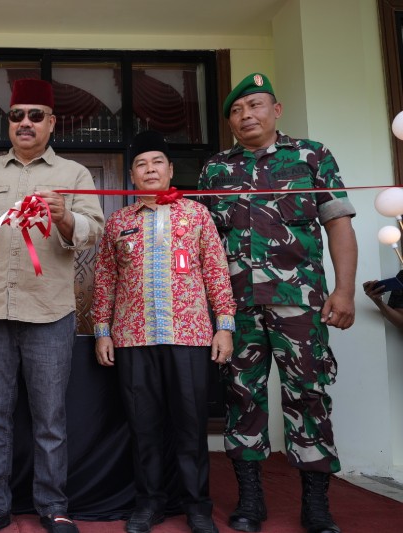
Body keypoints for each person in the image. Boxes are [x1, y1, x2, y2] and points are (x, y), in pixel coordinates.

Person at [198, 73, 358, 533]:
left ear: (276, 109)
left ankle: (316, 505)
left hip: (299, 302)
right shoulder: (216, 169)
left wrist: (344, 290)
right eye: (236, 110)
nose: (246, 115)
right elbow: (205, 243)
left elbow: (339, 224)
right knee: (241, 395)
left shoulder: (311, 156)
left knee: (309, 394)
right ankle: (250, 500)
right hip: (235, 307)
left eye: (255, 105)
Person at [0, 79, 104, 533]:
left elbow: (94, 231)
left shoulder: (74, 173)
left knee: (50, 418)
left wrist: (65, 217)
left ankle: (53, 506)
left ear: (52, 123)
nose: (26, 123)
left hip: (49, 312)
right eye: (17, 115)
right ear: (9, 122)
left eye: (36, 115)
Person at [92, 131, 235, 533]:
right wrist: (102, 330)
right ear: (132, 175)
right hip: (133, 338)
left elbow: (216, 272)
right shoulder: (119, 221)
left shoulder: (197, 215)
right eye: (142, 164)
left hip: (189, 336)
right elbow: (104, 279)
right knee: (144, 427)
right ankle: (149, 502)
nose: (150, 170)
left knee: (191, 425)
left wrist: (224, 326)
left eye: (157, 162)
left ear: (171, 170)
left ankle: (197, 506)